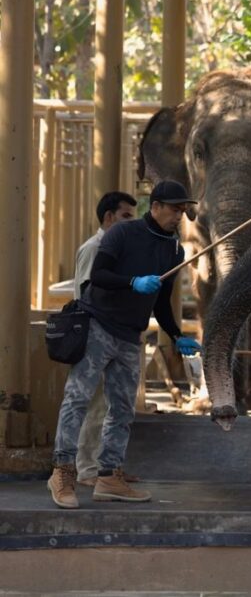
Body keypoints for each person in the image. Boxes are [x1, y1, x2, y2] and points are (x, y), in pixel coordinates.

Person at [47, 180, 203, 509]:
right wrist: (132, 282)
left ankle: (109, 476)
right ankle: (62, 472)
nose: (180, 215)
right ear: (155, 206)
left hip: (131, 336)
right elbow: (99, 275)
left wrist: (177, 335)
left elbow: (160, 303)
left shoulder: (174, 249)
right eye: (174, 209)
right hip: (99, 325)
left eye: (183, 210)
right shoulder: (122, 233)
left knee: (121, 411)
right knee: (77, 399)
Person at [73, 191, 138, 488]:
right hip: (95, 334)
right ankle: (87, 469)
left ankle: (108, 469)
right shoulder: (94, 248)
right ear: (109, 217)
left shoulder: (117, 250)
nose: (130, 223)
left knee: (113, 405)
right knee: (94, 403)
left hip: (115, 334)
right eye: (126, 216)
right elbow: (87, 293)